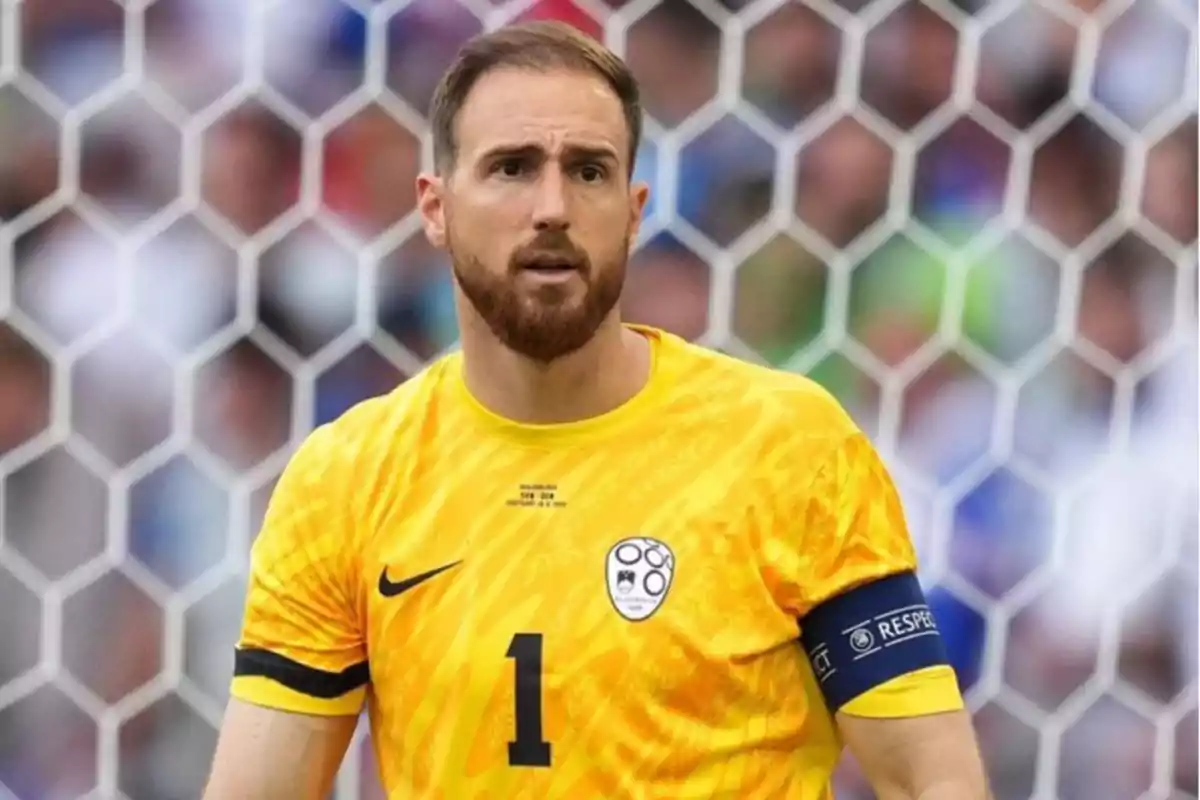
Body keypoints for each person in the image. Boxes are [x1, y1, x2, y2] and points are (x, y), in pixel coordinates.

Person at [204, 20, 990, 799]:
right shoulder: (348, 479)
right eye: (511, 168)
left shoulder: (790, 446)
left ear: (634, 208)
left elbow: (936, 779)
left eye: (588, 171)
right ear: (435, 207)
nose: (552, 206)